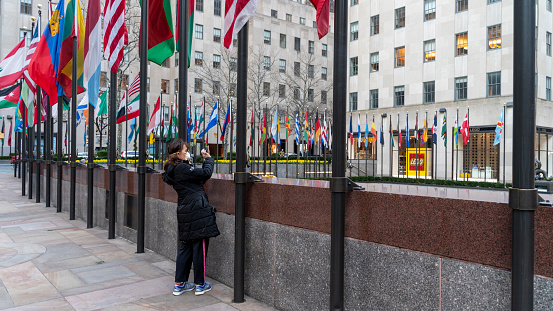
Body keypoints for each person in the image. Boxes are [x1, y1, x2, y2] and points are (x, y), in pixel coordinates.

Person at [162, 139, 219, 296]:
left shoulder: (172, 169)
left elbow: (196, 178)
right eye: (186, 150)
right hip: (196, 210)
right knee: (199, 246)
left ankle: (179, 284)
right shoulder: (181, 168)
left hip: (185, 210)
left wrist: (190, 164)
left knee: (185, 246)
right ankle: (200, 284)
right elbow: (206, 173)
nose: (187, 152)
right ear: (178, 153)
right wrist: (208, 159)